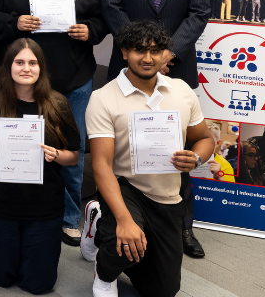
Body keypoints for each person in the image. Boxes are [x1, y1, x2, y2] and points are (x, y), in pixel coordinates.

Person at [0, 0, 107, 246]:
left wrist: (89, 30)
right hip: (20, 86)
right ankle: (13, 209)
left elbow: (103, 18)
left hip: (73, 80)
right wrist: (14, 22)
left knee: (70, 153)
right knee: (16, 148)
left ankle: (69, 216)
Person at [82, 21, 214, 297]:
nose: (147, 58)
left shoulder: (182, 91)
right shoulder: (103, 98)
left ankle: (101, 222)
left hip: (167, 196)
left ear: (166, 54)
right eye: (139, 50)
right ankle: (104, 271)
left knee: (163, 290)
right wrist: (123, 220)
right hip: (124, 187)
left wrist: (197, 158)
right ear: (124, 52)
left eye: (156, 51)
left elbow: (205, 139)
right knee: (126, 240)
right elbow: (101, 165)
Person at [0, 38, 80, 294]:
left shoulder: (58, 105)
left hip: (44, 206)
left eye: (33, 62)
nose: (26, 68)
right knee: (1, 277)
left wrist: (56, 155)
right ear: (9, 66)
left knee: (39, 284)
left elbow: (73, 156)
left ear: (41, 68)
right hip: (0, 205)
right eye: (19, 62)